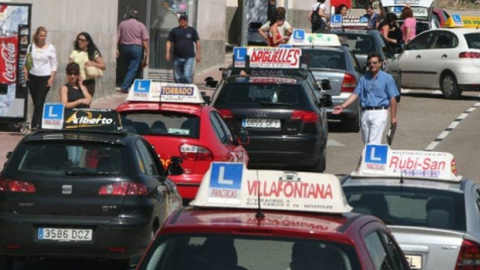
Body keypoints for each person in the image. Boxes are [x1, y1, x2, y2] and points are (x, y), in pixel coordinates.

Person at [332, 53, 398, 144]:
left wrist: (393, 117)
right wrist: (343, 106)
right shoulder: (364, 79)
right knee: (367, 142)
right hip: (365, 113)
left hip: (379, 112)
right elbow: (355, 94)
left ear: (380, 63)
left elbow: (392, 98)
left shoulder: (387, 79)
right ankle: (369, 157)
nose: (372, 65)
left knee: (373, 142)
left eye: (374, 63)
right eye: (370, 63)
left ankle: (370, 157)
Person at [23, 26, 57, 129]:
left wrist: (51, 78)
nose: (43, 38)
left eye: (44, 36)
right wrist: (25, 72)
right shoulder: (31, 47)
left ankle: (34, 126)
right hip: (32, 77)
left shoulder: (50, 47)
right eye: (41, 35)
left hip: (45, 77)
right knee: (36, 102)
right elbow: (26, 61)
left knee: (39, 102)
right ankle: (41, 124)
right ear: (37, 36)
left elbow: (54, 64)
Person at [60, 63, 92, 165]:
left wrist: (81, 86)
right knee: (73, 157)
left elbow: (89, 99)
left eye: (75, 74)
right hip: (70, 125)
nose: (72, 76)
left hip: (81, 124)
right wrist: (79, 102)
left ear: (78, 75)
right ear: (67, 74)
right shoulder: (65, 88)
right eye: (70, 74)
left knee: (78, 157)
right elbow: (65, 104)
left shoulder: (82, 88)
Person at [116, 9, 150, 93]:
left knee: (124, 67)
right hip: (136, 48)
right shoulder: (141, 25)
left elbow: (118, 37)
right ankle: (124, 86)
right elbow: (145, 40)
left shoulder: (122, 24)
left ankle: (125, 83)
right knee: (133, 68)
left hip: (123, 47)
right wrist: (147, 51)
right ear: (137, 17)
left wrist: (116, 48)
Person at [166, 14, 201, 84]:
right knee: (177, 77)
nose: (183, 21)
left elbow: (197, 42)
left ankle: (189, 89)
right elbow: (169, 41)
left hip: (189, 57)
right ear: (179, 21)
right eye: (181, 19)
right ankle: (179, 90)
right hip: (177, 57)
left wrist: (198, 54)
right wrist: (167, 53)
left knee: (186, 75)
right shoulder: (174, 30)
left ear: (187, 21)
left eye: (184, 19)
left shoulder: (192, 30)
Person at [69, 32, 105, 97]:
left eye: (82, 40)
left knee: (87, 102)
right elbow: (69, 67)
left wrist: (93, 63)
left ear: (87, 42)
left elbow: (103, 66)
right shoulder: (74, 52)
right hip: (76, 81)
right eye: (79, 39)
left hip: (89, 82)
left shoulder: (93, 53)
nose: (80, 42)